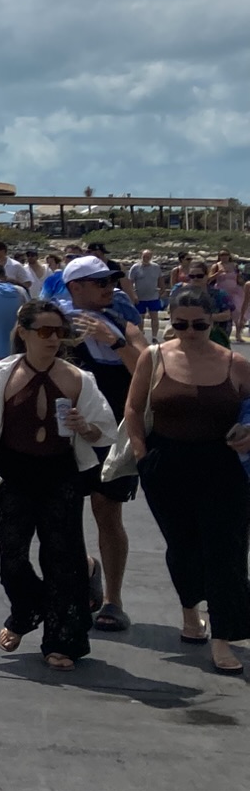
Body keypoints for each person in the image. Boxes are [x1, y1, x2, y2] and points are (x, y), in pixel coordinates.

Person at [0, 300, 117, 670]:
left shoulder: (78, 378)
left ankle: (62, 640)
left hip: (60, 473)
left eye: (60, 332)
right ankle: (28, 610)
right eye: (45, 331)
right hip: (12, 472)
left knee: (62, 558)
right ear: (24, 332)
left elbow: (105, 431)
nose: (53, 339)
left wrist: (85, 427)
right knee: (12, 560)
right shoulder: (3, 373)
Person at [124, 284, 250, 675]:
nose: (190, 332)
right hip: (167, 464)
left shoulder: (235, 363)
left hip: (223, 465)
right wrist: (142, 456)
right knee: (182, 546)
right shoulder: (154, 357)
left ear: (212, 322)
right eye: (180, 324)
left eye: (198, 324)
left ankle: (223, 636)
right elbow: (133, 408)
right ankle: (190, 611)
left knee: (227, 550)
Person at [56, 253, 147, 632]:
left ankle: (113, 599)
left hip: (113, 434)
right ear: (75, 287)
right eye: (101, 282)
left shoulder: (123, 322)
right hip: (66, 433)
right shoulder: (55, 323)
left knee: (108, 513)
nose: (111, 288)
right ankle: (85, 570)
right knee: (61, 517)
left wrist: (115, 341)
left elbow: (147, 371)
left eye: (111, 281)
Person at [128, 248, 165, 339]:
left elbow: (160, 280)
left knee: (154, 317)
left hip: (153, 297)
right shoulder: (135, 267)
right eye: (144, 256)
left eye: (148, 257)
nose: (146, 258)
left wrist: (161, 291)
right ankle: (141, 334)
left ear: (151, 257)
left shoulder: (156, 267)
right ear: (141, 256)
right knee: (140, 318)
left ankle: (154, 336)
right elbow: (130, 283)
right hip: (140, 297)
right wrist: (133, 295)